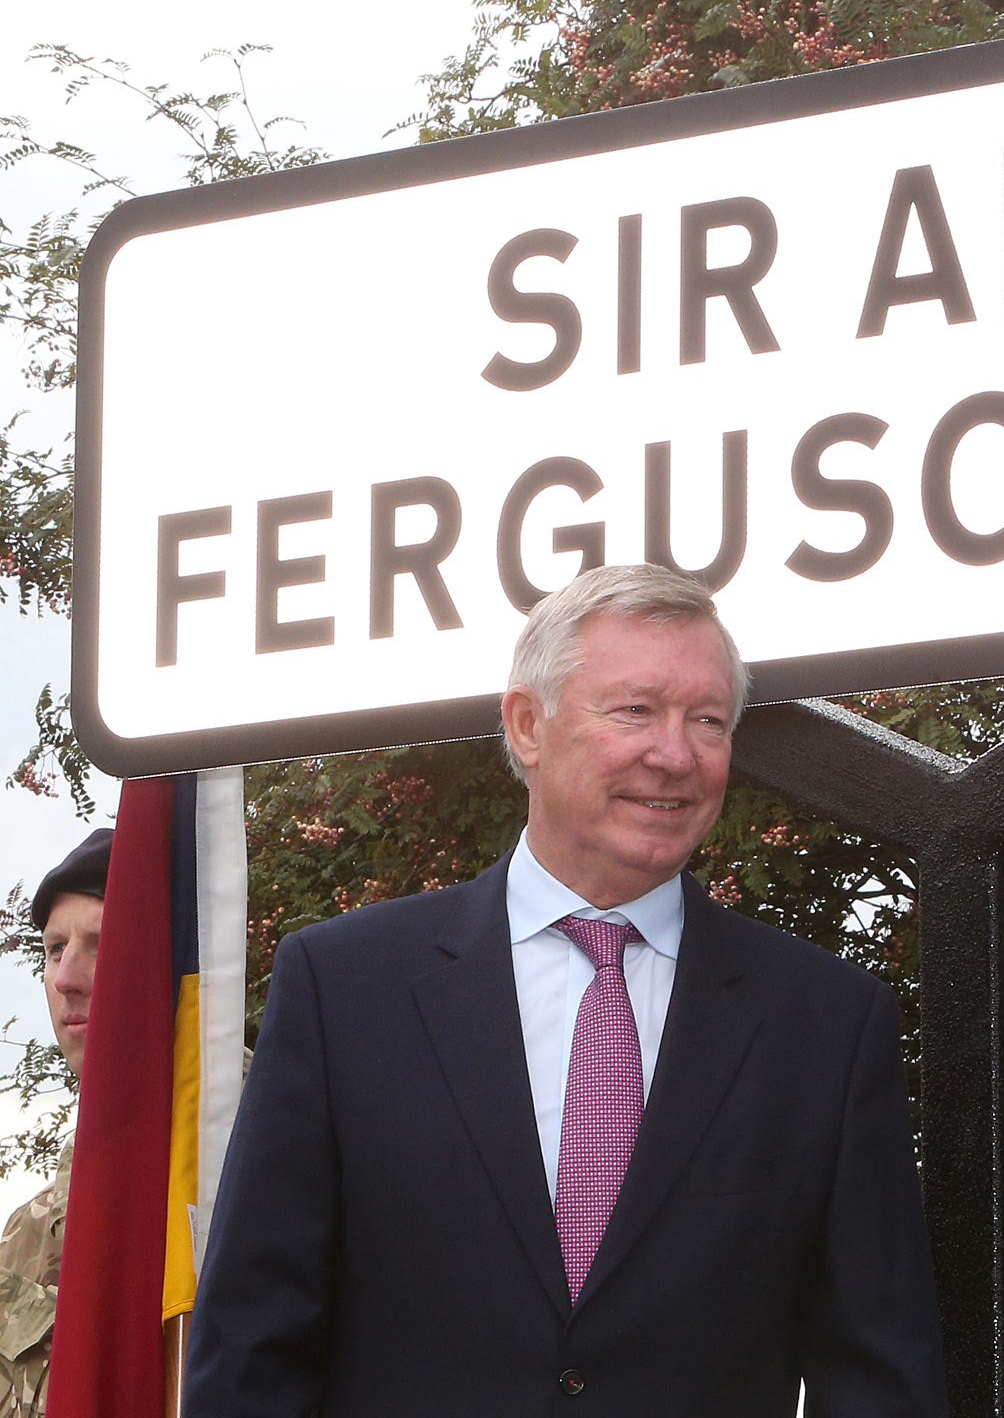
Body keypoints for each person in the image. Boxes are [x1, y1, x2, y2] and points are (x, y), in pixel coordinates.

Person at [186, 565, 947, 1416]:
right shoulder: (346, 989)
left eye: (707, 721)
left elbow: (879, 1371)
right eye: (634, 710)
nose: (675, 755)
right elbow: (253, 1342)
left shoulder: (825, 1022)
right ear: (527, 725)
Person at [0, 828, 113, 1418]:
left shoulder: (264, 1149)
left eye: (100, 942)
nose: (66, 977)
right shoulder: (23, 1235)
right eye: (53, 949)